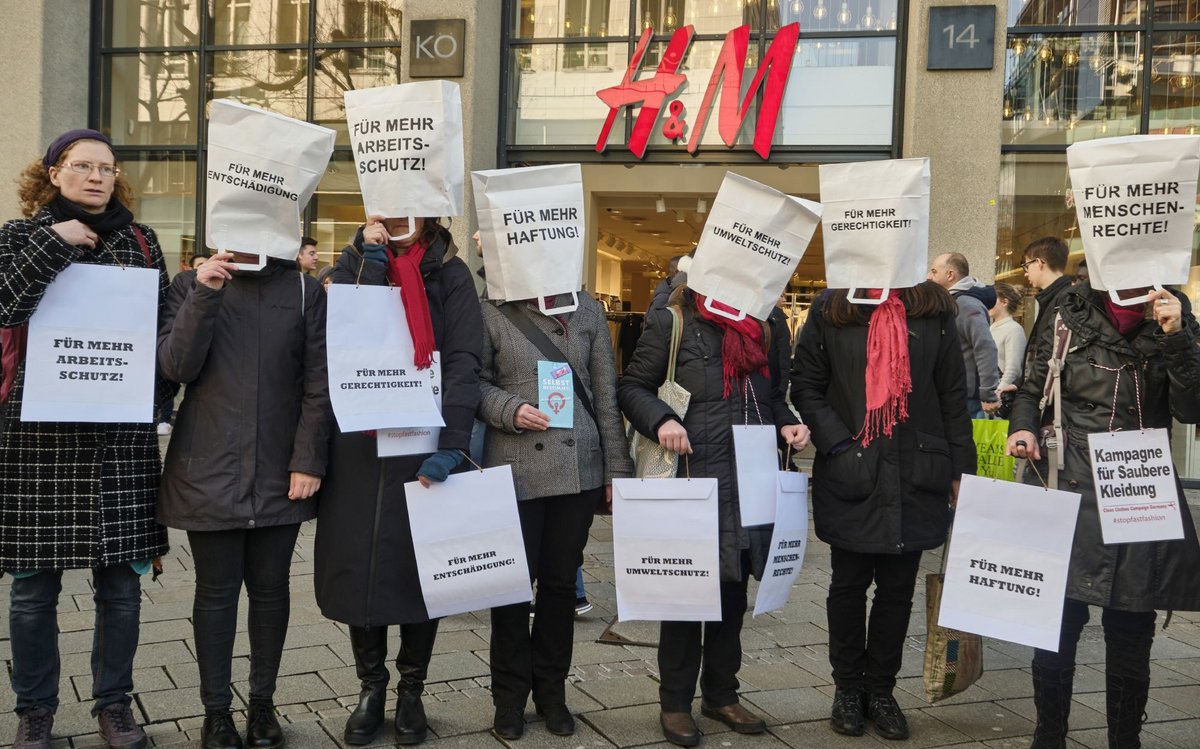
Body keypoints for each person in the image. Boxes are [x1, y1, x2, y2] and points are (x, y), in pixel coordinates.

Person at [0, 129, 171, 749]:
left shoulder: (142, 241)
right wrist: (54, 244)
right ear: (53, 173)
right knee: (33, 585)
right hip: (38, 436)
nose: (95, 176)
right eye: (81, 166)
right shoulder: (20, 237)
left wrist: (155, 404)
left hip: (118, 437)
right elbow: (6, 304)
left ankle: (113, 706)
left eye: (106, 167)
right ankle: (35, 712)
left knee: (122, 584)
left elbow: (162, 331)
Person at [1007, 284, 1200, 749]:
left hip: (1138, 483)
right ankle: (1048, 735)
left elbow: (1190, 410)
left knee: (1132, 624)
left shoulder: (1173, 315)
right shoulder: (1066, 310)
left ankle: (1125, 740)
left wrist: (1176, 336)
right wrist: (1023, 427)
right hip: (1065, 476)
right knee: (1056, 619)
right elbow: (1032, 389)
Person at [314, 215, 482, 747]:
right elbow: (332, 341)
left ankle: (412, 688)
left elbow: (463, 361)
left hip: (422, 443)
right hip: (359, 447)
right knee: (360, 569)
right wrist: (368, 258)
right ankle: (371, 686)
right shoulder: (352, 264)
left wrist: (454, 443)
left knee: (419, 571)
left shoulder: (451, 275)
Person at [157, 239, 331, 748]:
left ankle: (262, 705)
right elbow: (175, 367)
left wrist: (308, 459)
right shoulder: (191, 282)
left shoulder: (302, 289)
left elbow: (319, 384)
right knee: (215, 594)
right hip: (208, 466)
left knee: (271, 591)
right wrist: (205, 293)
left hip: (282, 470)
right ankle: (216, 712)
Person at [619, 287, 809, 747]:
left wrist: (787, 420)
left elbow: (775, 394)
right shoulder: (673, 322)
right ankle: (675, 704)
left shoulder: (765, 327)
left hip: (751, 482)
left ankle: (722, 694)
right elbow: (631, 387)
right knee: (685, 598)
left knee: (732, 595)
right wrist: (662, 419)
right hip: (692, 479)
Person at [791, 283, 974, 742]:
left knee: (897, 592)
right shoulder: (835, 307)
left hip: (918, 471)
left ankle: (882, 691)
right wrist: (836, 442)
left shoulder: (931, 307)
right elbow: (807, 385)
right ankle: (848, 691)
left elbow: (953, 391)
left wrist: (961, 470)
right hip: (853, 469)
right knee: (848, 586)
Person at [479, 285, 632, 741]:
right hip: (515, 467)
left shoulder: (585, 308)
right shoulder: (491, 307)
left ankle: (552, 691)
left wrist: (615, 469)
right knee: (509, 587)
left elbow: (606, 391)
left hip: (577, 469)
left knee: (561, 586)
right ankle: (508, 696)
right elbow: (472, 381)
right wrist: (511, 408)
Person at [927, 252, 1000, 417]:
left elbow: (985, 346)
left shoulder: (965, 304)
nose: (929, 276)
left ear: (950, 275)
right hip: (957, 394)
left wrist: (988, 393)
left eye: (934, 271)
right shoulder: (953, 302)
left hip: (967, 399)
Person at [156, 254, 207, 436]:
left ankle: (165, 419)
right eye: (200, 265)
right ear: (190, 268)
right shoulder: (184, 283)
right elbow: (174, 365)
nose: (205, 268)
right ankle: (164, 419)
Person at [1019, 237, 1073, 372]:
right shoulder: (1054, 297)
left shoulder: (1064, 300)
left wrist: (1027, 391)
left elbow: (1047, 356)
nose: (1026, 273)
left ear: (1038, 263)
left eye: (1026, 266)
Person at [988, 282, 1027, 394]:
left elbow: (1013, 369)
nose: (987, 303)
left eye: (992, 300)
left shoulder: (1014, 329)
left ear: (1005, 302)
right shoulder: (991, 328)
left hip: (1000, 393)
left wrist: (998, 393)